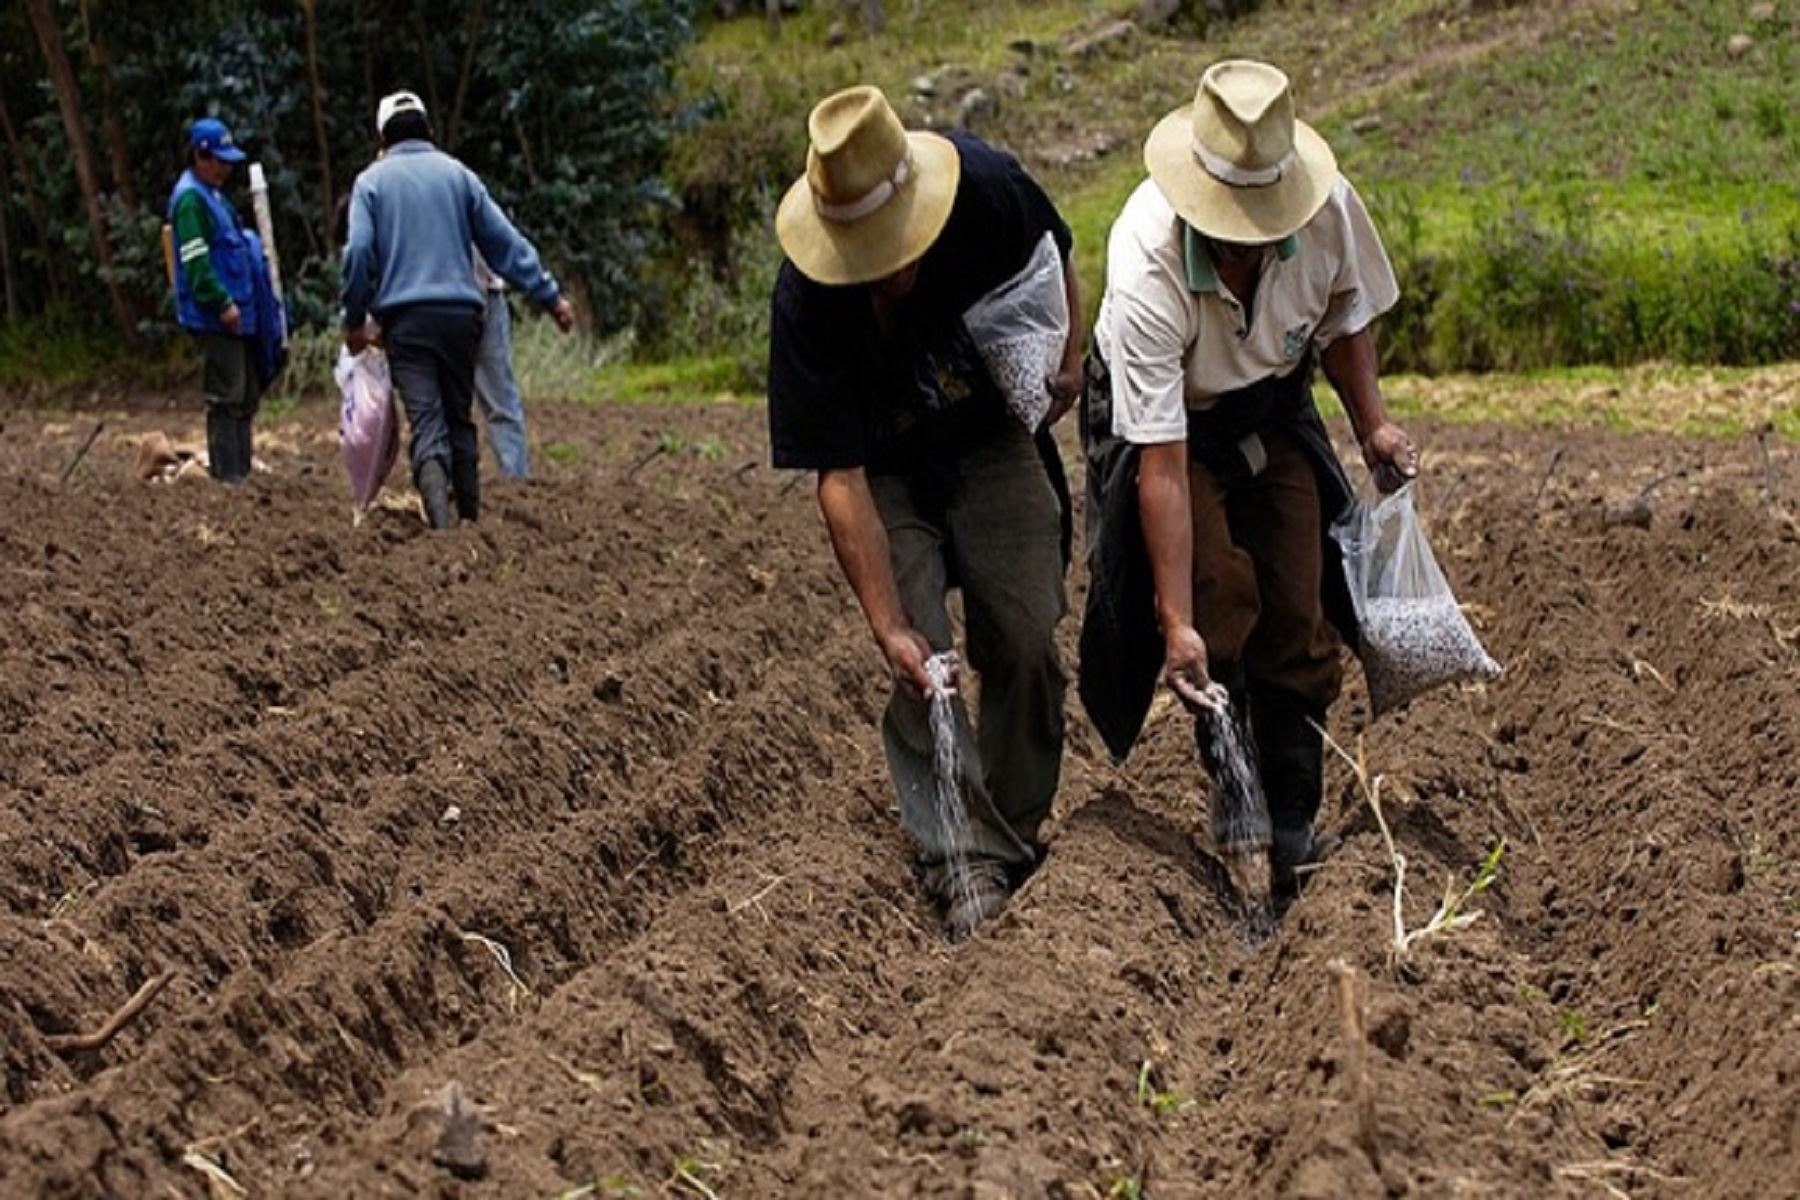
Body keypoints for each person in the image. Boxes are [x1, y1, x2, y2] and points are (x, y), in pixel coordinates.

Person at [1082, 60, 1419, 904]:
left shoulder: (1327, 208)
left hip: (1270, 403)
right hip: (1173, 425)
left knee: (1301, 598)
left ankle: (1295, 815)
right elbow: (1160, 464)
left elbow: (1344, 315)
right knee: (1213, 590)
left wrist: (1371, 421)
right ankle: (1237, 799)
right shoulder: (1146, 258)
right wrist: (1176, 624)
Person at [767, 86, 1083, 939]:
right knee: (925, 664)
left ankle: (1012, 829)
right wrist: (887, 626)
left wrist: (1072, 359)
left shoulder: (985, 190)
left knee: (1024, 633)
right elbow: (838, 476)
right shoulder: (804, 297)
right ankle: (959, 854)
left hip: (987, 436)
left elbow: (1056, 254)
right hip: (883, 468)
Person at [340, 91, 573, 528]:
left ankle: (442, 528)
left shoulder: (370, 182)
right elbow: (504, 244)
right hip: (463, 317)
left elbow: (358, 252)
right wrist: (550, 296)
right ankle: (470, 518)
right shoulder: (460, 176)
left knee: (427, 420)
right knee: (458, 417)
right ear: (429, 130)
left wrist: (353, 320)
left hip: (406, 321)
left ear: (381, 138)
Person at [167, 117, 263, 485]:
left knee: (244, 394)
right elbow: (195, 261)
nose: (225, 169)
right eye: (219, 161)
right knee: (226, 395)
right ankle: (229, 478)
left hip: (236, 311)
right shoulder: (191, 199)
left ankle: (243, 471)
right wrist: (222, 303)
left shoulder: (213, 195)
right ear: (199, 156)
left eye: (228, 162)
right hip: (214, 316)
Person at [472, 251, 530, 478]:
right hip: (481, 291)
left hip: (430, 295)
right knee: (501, 403)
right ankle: (515, 480)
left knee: (440, 405)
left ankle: (443, 485)